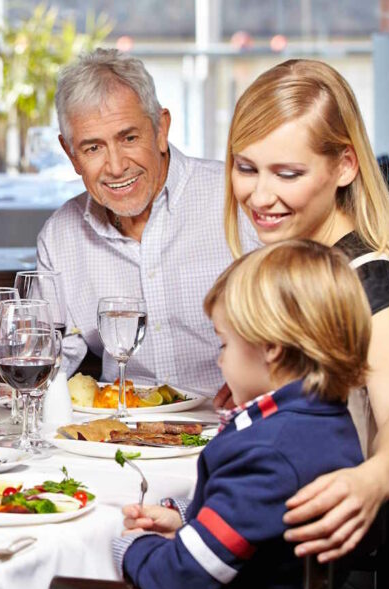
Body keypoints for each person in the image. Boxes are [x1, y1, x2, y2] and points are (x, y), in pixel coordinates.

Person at [82, 240, 371, 589]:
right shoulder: (326, 424)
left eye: (225, 344)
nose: (220, 360)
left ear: (271, 348)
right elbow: (261, 526)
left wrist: (129, 547)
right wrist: (185, 521)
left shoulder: (267, 451)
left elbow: (183, 576)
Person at [223, 58, 389, 589]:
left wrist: (375, 478)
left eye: (287, 173)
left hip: (383, 576)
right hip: (326, 555)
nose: (259, 195)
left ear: (344, 166)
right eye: (245, 168)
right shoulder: (300, 270)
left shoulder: (375, 286)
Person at [28, 48, 258, 397]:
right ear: (70, 154)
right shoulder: (60, 238)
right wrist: (10, 340)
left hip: (232, 425)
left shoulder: (238, 199)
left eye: (129, 138)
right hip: (118, 433)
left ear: (161, 128)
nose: (116, 166)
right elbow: (48, 360)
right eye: (93, 148)